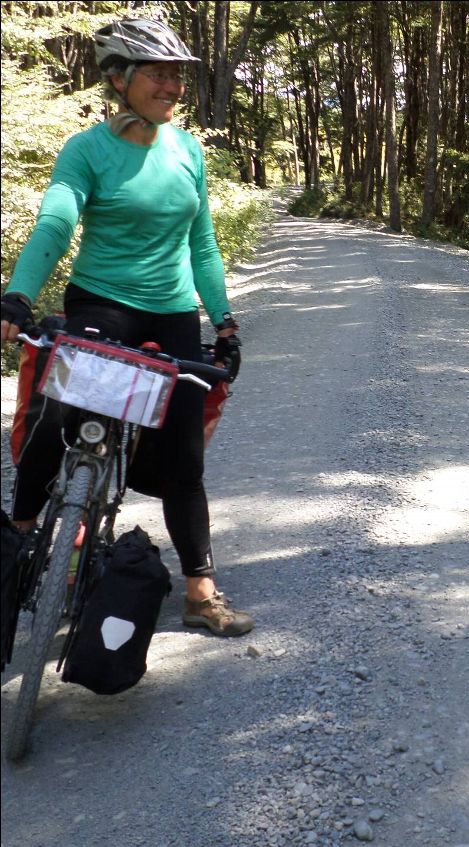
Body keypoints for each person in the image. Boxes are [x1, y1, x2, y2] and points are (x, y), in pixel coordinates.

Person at [0, 18, 253, 637]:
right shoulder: (87, 149)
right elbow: (56, 226)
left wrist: (221, 320)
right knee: (56, 416)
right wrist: (16, 297)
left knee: (183, 457)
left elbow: (202, 244)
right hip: (101, 303)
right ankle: (18, 544)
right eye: (158, 73)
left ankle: (200, 591)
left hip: (172, 312)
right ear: (120, 78)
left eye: (178, 76)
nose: (172, 85)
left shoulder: (186, 150)